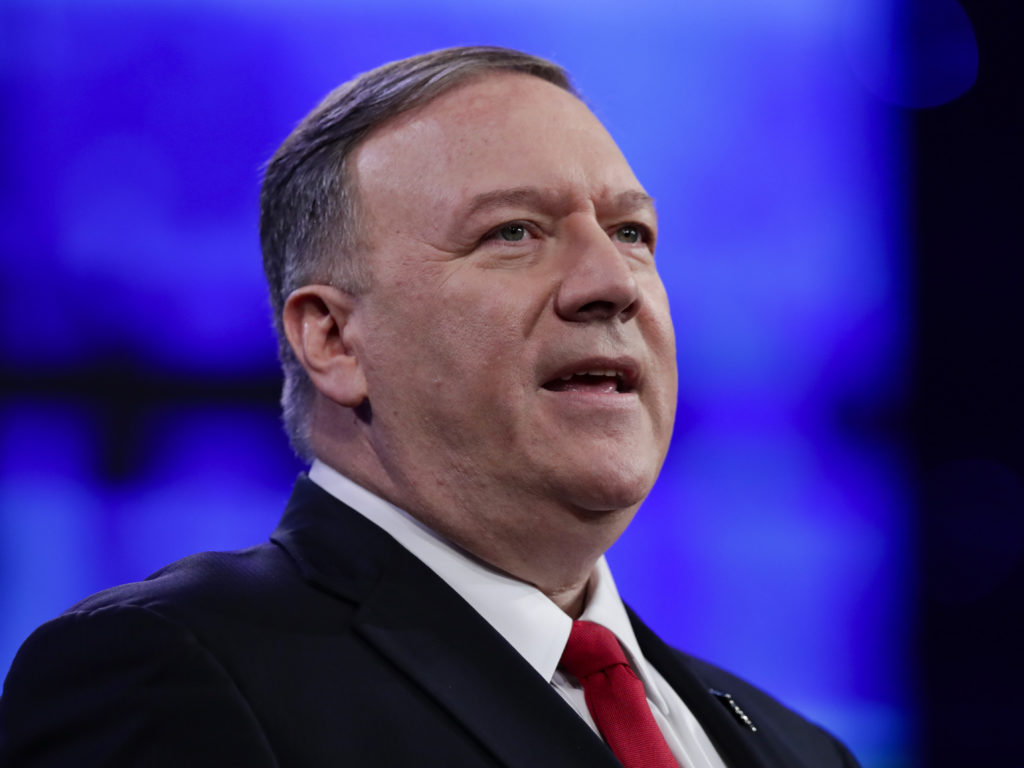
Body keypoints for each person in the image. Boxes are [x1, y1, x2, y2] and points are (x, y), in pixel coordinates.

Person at [0, 46, 860, 767]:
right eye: (512, 232)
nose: (611, 284)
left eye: (632, 233)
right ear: (333, 339)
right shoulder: (170, 672)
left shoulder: (802, 750)